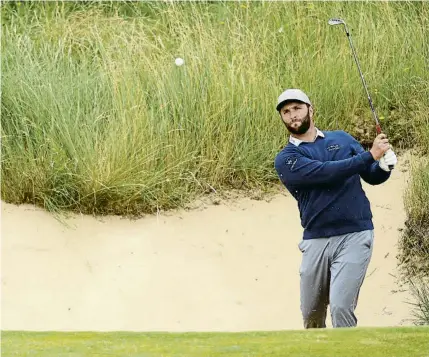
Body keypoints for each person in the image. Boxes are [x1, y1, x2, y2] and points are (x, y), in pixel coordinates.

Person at [273, 88, 398, 329]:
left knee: (341, 307)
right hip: (316, 240)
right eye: (286, 112)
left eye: (297, 108)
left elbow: (370, 176)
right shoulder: (287, 158)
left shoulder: (341, 139)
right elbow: (326, 174)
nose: (292, 115)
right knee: (311, 315)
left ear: (311, 109)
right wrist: (371, 155)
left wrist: (384, 166)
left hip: (355, 234)